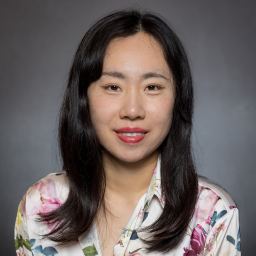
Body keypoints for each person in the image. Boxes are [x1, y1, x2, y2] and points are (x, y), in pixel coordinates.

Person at [14, 9, 241, 256]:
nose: (132, 110)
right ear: (83, 98)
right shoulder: (39, 204)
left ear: (178, 99)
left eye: (152, 87)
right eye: (113, 86)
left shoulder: (213, 213)